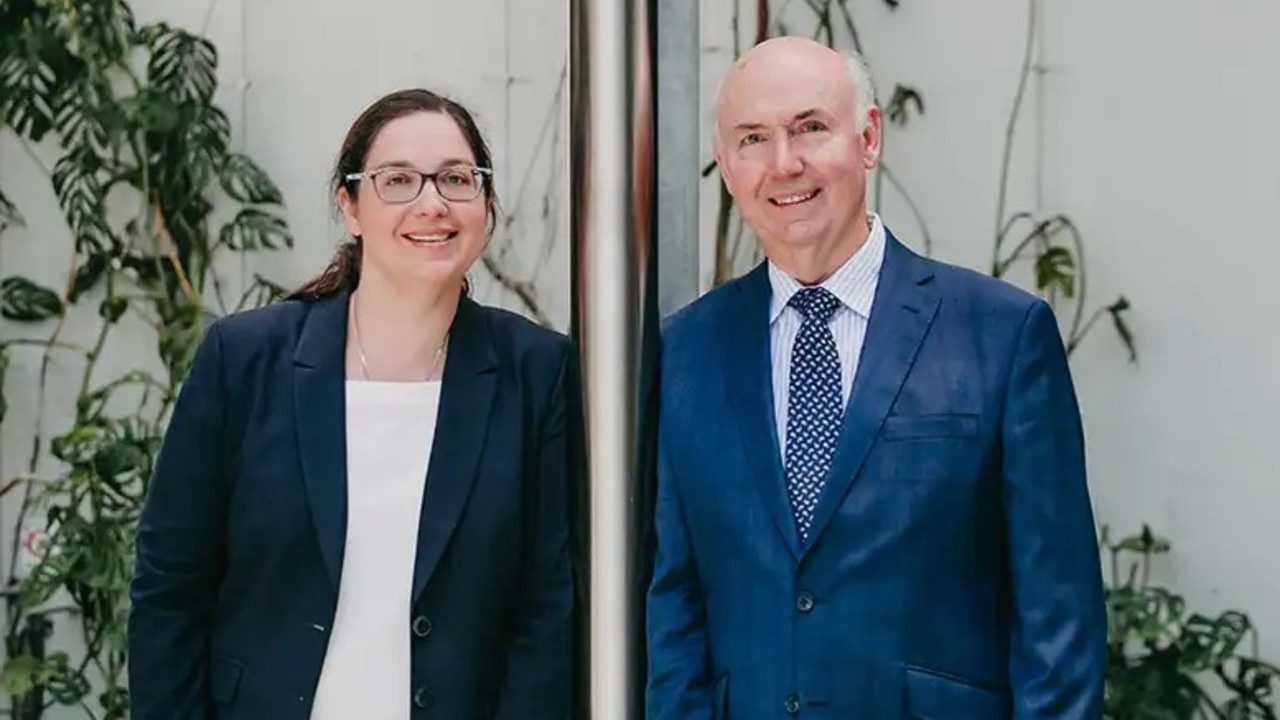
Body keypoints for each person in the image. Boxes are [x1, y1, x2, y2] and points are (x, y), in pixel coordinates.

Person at [646, 36, 1107, 719]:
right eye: (753, 139)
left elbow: (1058, 624)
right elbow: (676, 607)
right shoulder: (685, 351)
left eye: (810, 128)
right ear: (726, 164)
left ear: (867, 138)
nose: (784, 164)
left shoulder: (1003, 336)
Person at [129, 88, 576, 720]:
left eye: (456, 178)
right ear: (351, 206)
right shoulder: (245, 359)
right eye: (397, 180)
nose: (432, 203)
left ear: (485, 203)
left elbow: (548, 610)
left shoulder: (538, 371)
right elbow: (170, 585)